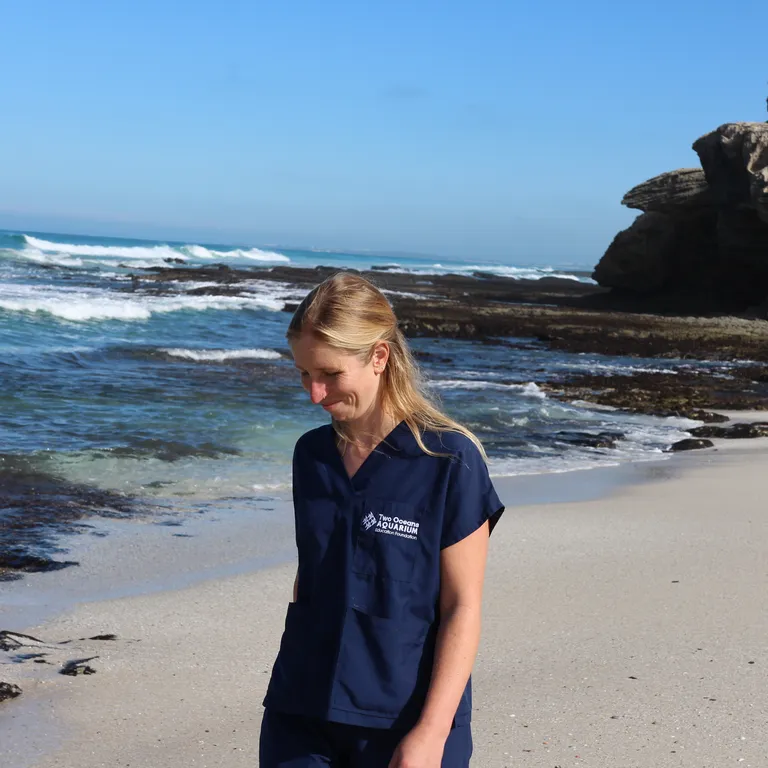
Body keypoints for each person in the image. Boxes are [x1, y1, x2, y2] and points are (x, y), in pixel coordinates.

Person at [260, 272, 505, 767]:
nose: (315, 392)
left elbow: (463, 606)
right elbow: (311, 578)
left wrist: (431, 735)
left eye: (329, 374)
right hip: (302, 709)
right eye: (304, 374)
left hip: (405, 719)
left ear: (379, 357)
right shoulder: (311, 455)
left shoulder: (448, 460)